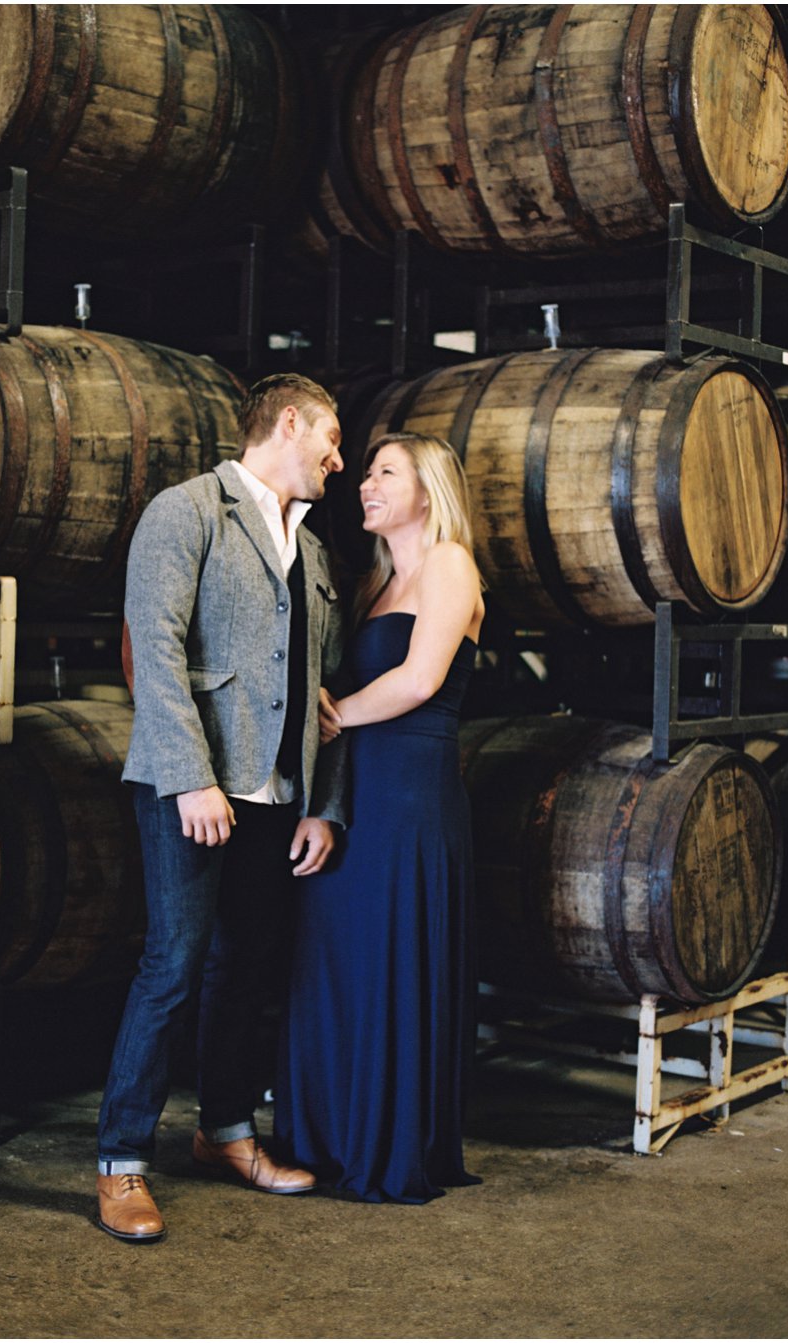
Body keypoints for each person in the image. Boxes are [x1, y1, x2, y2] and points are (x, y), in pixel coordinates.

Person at [99, 373, 348, 1242]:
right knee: (173, 964)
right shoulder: (188, 510)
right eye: (332, 439)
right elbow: (153, 644)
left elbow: (323, 696)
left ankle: (226, 1133)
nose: (338, 459)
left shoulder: (312, 551)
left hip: (278, 796)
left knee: (246, 965)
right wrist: (191, 776)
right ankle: (122, 1162)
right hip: (194, 785)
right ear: (290, 422)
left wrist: (324, 805)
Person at [278, 432, 486, 1203]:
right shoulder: (369, 582)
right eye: (365, 471)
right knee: (336, 961)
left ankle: (387, 1144)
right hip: (354, 796)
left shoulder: (451, 564)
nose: (365, 482)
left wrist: (327, 715)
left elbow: (421, 678)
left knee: (393, 960)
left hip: (411, 800)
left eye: (385, 472)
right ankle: (327, 1139)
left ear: (427, 490)